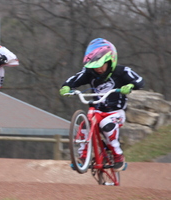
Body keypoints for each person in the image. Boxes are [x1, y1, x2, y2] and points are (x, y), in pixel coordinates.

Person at [59, 38, 144, 172]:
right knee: (84, 126)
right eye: (94, 66)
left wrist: (130, 85)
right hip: (98, 110)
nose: (98, 69)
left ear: (110, 61)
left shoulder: (122, 71)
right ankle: (83, 157)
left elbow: (139, 80)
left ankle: (118, 156)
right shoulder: (89, 73)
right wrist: (66, 87)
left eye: (101, 65)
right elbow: (74, 79)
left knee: (107, 126)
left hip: (116, 112)